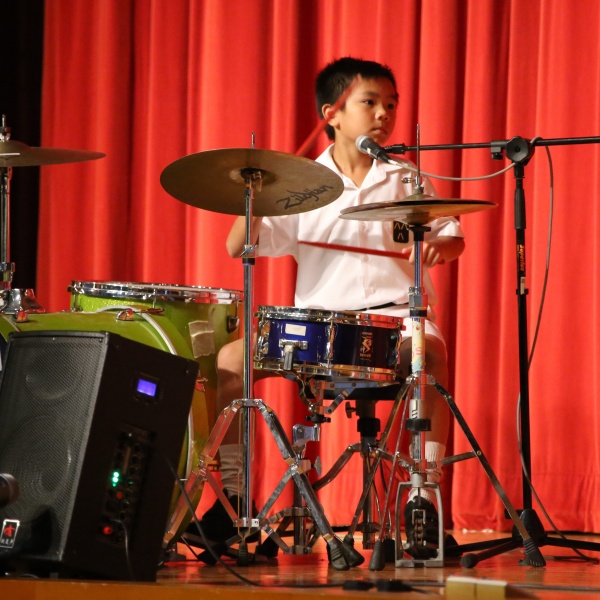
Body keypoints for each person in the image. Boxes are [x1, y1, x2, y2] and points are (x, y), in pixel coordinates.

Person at [190, 57, 465, 559]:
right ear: (331, 114)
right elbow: (236, 246)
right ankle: (232, 501)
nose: (383, 114)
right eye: (370, 102)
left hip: (393, 320)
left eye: (391, 104)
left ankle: (423, 499)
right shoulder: (300, 184)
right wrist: (255, 192)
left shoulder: (406, 178)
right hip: (316, 327)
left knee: (431, 354)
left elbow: (453, 235)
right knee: (229, 360)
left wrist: (437, 247)